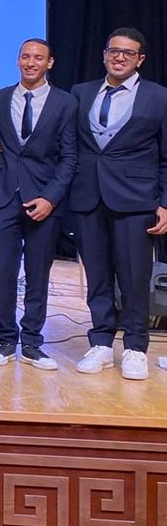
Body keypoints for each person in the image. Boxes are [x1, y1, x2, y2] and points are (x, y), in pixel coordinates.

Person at [70, 28, 167, 380]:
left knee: (134, 278)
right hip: (88, 196)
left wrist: (165, 203)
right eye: (114, 51)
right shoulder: (81, 93)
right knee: (97, 277)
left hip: (135, 200)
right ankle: (100, 342)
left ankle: (136, 347)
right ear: (104, 55)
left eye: (128, 53)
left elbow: (166, 157)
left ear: (140, 59)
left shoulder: (158, 97)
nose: (120, 57)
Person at [0, 39, 78, 371]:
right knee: (2, 272)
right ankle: (6, 339)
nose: (31, 62)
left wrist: (51, 198)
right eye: (25, 56)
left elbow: (69, 158)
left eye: (38, 58)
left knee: (38, 275)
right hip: (2, 197)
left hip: (43, 200)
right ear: (17, 60)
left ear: (49, 63)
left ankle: (33, 342)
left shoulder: (66, 102)